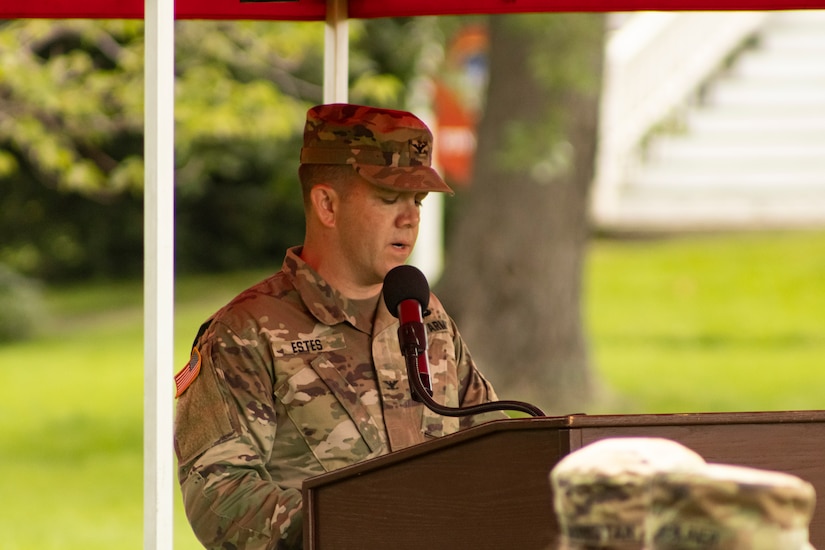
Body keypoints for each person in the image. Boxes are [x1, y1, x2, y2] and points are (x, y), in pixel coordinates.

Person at [173, 103, 506, 550]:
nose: (410, 218)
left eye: (417, 201)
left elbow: (495, 447)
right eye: (389, 199)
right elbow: (219, 495)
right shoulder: (246, 331)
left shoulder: (422, 314)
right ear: (327, 204)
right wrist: (352, 528)